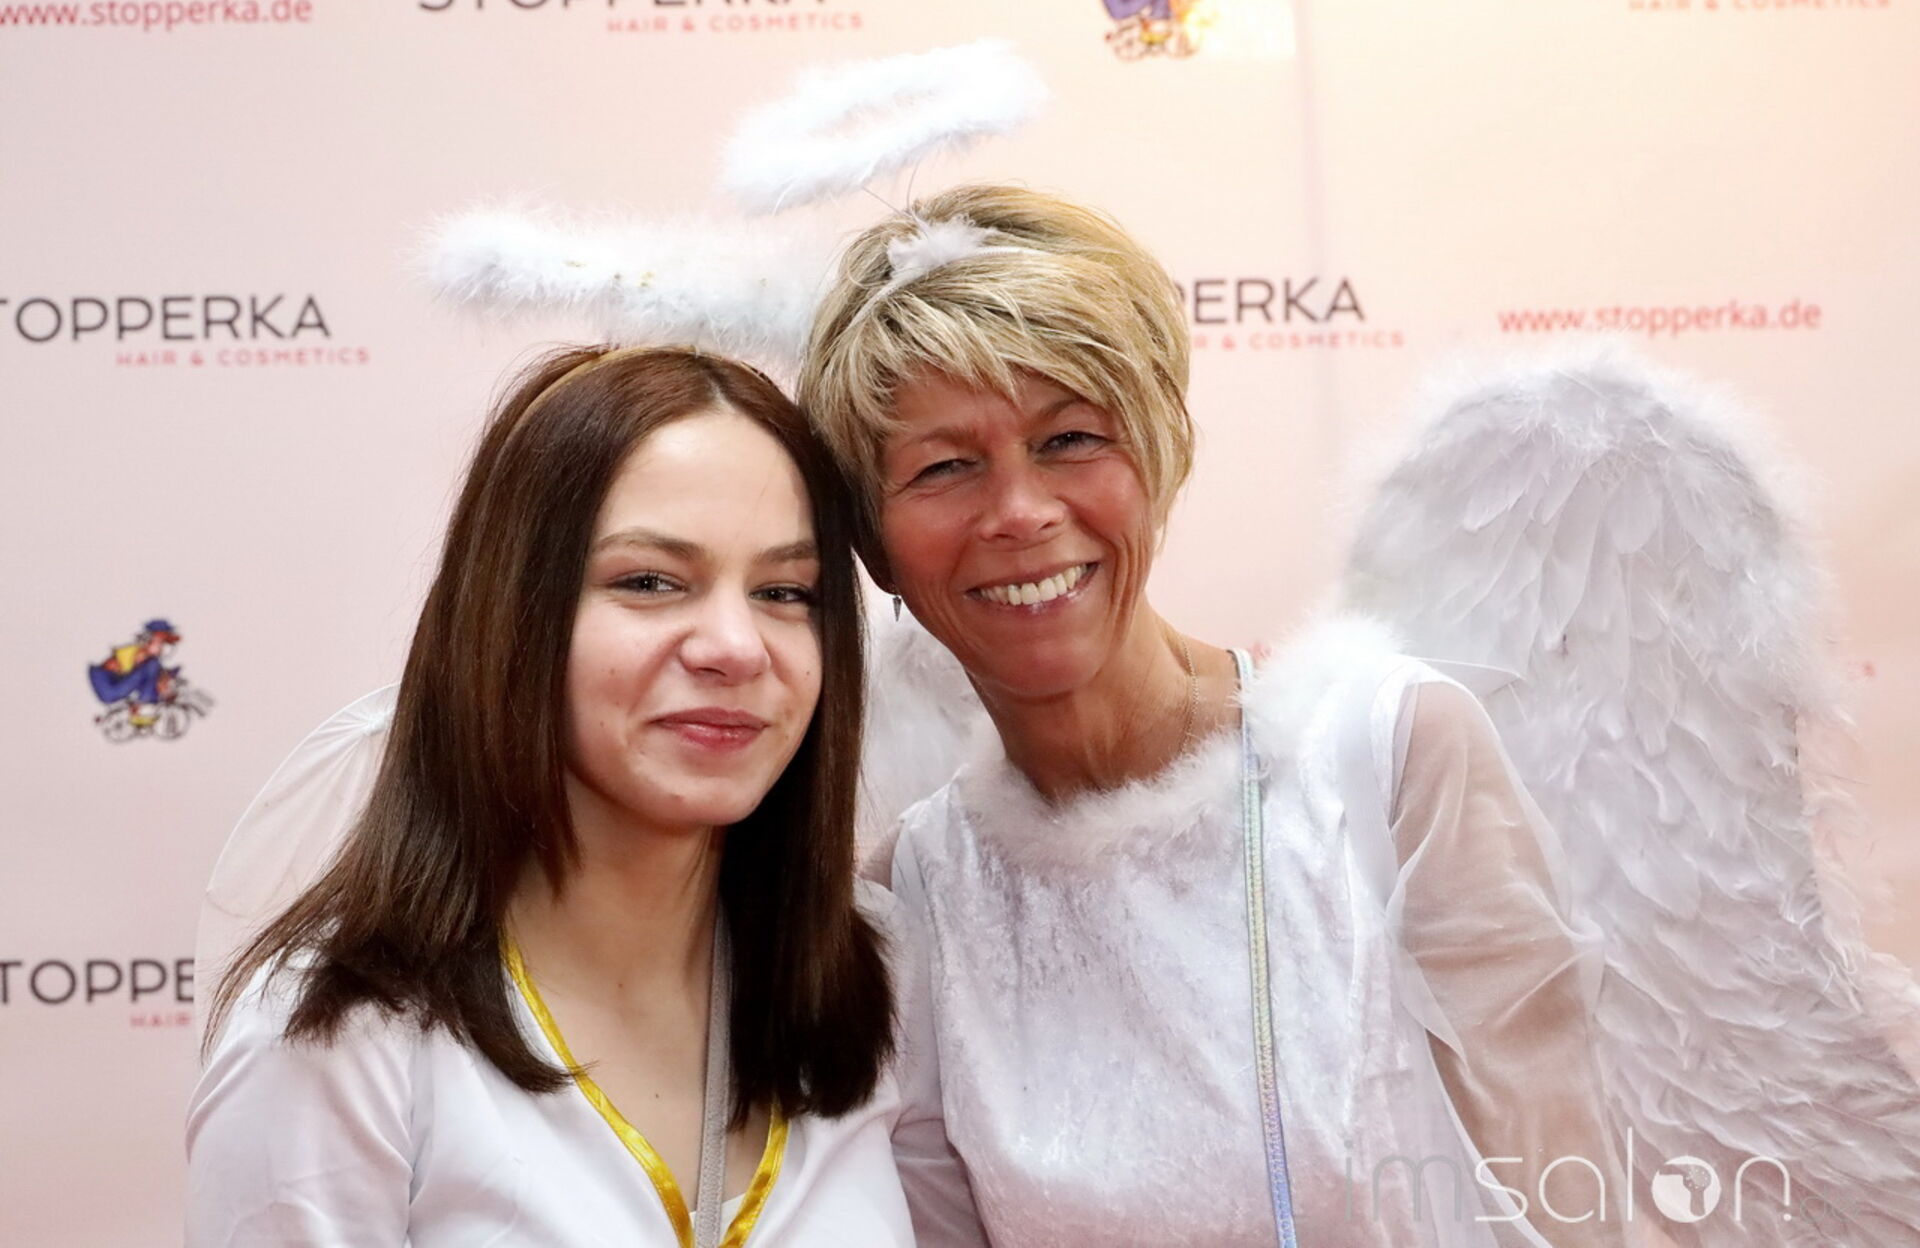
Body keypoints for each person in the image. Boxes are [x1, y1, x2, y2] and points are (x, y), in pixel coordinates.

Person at [798, 185, 1634, 1246]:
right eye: (946, 466)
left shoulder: (1387, 758)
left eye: (1069, 438)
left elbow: (1570, 1204)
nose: (1021, 512)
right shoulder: (915, 895)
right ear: (873, 547)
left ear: (1158, 458)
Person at [188, 346, 923, 1247]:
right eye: (649, 582)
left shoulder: (877, 971)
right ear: (510, 612)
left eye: (784, 591)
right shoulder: (341, 1039)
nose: (736, 647)